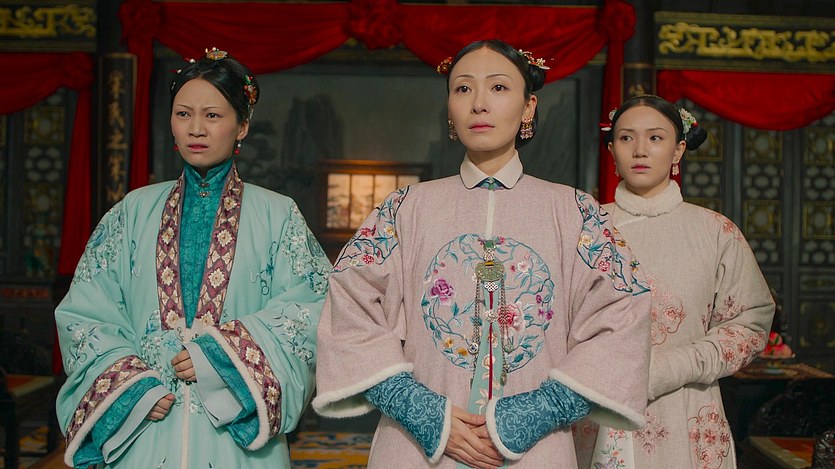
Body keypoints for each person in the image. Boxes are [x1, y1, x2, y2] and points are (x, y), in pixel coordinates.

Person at [313, 39, 653, 469]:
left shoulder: (574, 212)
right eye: (463, 88)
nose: (478, 104)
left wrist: (536, 412)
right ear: (449, 108)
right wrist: (422, 412)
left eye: (498, 87)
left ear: (528, 107)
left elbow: (625, 313)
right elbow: (349, 305)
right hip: (417, 447)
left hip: (535, 447)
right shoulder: (404, 208)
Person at [54, 48, 331, 468]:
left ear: (242, 126)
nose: (196, 129)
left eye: (213, 116)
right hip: (147, 425)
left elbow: (314, 309)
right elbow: (87, 311)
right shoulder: (133, 210)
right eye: (183, 114)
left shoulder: (278, 215)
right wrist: (133, 389)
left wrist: (220, 358)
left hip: (236, 433)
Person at [573, 94, 775, 469]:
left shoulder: (715, 232)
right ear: (612, 150)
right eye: (626, 138)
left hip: (686, 411)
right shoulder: (584, 228)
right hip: (595, 410)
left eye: (655, 137)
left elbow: (749, 324)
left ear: (678, 150)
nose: (640, 150)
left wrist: (668, 369)